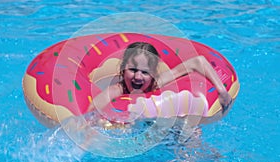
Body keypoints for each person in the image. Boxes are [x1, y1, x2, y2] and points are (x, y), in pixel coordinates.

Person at [87, 42, 232, 116]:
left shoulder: (157, 84)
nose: (138, 77)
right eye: (132, 70)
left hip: (162, 127)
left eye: (145, 72)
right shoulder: (115, 91)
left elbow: (198, 61)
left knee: (192, 131)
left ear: (153, 73)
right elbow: (89, 114)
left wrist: (222, 91)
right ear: (123, 68)